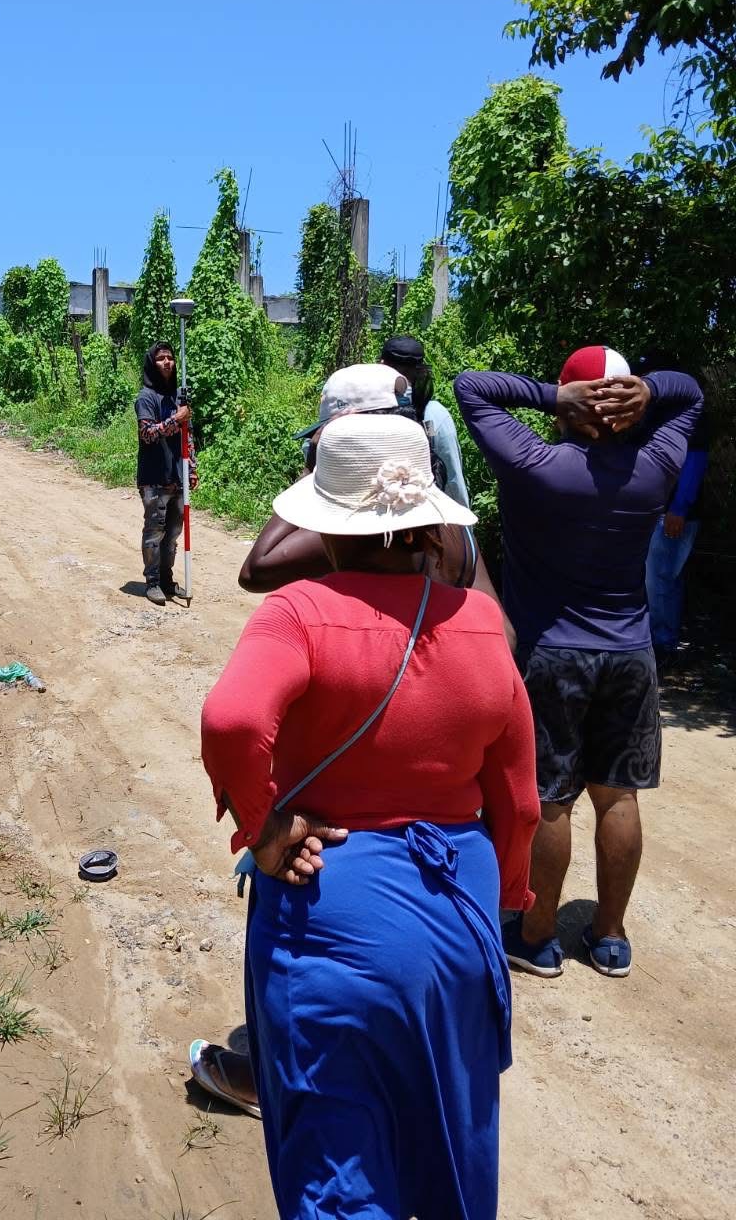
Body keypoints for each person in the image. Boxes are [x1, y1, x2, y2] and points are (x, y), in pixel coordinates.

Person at [200, 415, 539, 1220]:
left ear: (325, 526)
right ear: (429, 524)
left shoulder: (297, 610)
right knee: (452, 1151)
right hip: (458, 922)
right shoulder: (481, 622)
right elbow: (521, 802)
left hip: (329, 908)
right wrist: (502, 900)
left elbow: (232, 721)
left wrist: (264, 832)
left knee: (340, 1170)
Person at [454, 347, 703, 980]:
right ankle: (610, 937)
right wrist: (650, 390)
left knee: (551, 799)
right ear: (626, 407)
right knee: (618, 795)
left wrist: (549, 395)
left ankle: (538, 936)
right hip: (631, 654)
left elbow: (472, 386)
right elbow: (691, 393)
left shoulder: (536, 465)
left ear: (570, 403)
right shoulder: (654, 467)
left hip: (551, 656)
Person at [239, 364, 509, 639]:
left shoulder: (353, 530)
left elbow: (254, 571)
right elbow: (504, 634)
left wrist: (314, 472)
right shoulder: (457, 529)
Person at [635, 352, 709, 668]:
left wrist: (679, 507)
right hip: (659, 511)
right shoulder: (658, 413)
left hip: (673, 514)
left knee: (659, 580)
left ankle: (663, 644)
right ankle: (661, 642)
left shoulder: (685, 413)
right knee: (663, 578)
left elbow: (696, 459)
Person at [381, 334, 471, 507]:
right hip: (425, 511)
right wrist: (462, 515)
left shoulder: (363, 410)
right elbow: (451, 473)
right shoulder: (432, 415)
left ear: (381, 365)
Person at [134, 342, 193, 605]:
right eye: (161, 359)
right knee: (154, 532)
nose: (167, 362)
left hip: (177, 476)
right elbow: (147, 434)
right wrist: (175, 419)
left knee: (173, 533)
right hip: (154, 476)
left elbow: (187, 436)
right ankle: (153, 582)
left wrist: (192, 469)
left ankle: (167, 580)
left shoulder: (179, 398)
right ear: (152, 363)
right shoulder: (145, 397)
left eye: (170, 357)